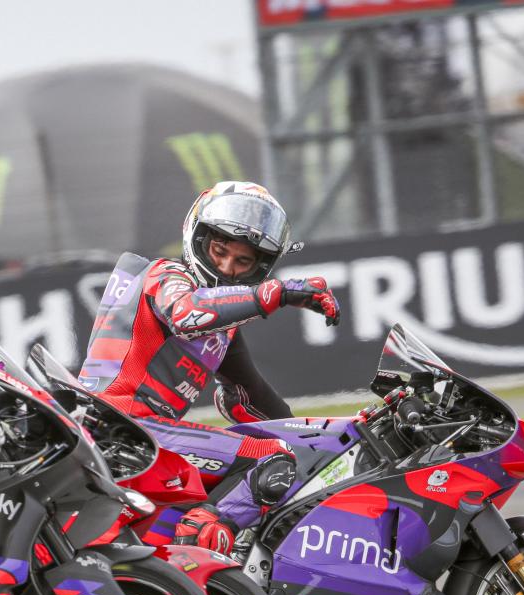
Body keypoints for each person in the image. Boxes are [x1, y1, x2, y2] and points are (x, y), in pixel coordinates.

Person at [79, 180, 341, 552]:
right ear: (197, 236)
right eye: (219, 250)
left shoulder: (224, 328)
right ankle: (198, 556)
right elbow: (186, 313)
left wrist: (327, 442)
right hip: (120, 425)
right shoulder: (165, 274)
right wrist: (278, 293)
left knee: (279, 458)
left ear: (259, 266)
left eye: (243, 261)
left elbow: (256, 399)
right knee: (273, 460)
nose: (226, 267)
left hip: (135, 435)